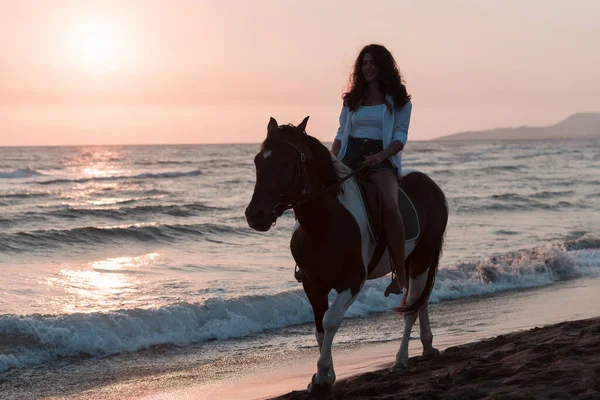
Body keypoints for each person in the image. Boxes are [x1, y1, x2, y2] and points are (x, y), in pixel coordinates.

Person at [331, 44, 412, 297]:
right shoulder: (351, 100)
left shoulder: (399, 101)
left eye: (373, 63)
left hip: (382, 158)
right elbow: (341, 133)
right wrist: (331, 157)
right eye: (364, 63)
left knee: (389, 204)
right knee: (317, 192)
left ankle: (399, 274)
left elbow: (400, 137)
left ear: (383, 66)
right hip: (349, 155)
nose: (368, 67)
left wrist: (380, 156)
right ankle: (307, 262)